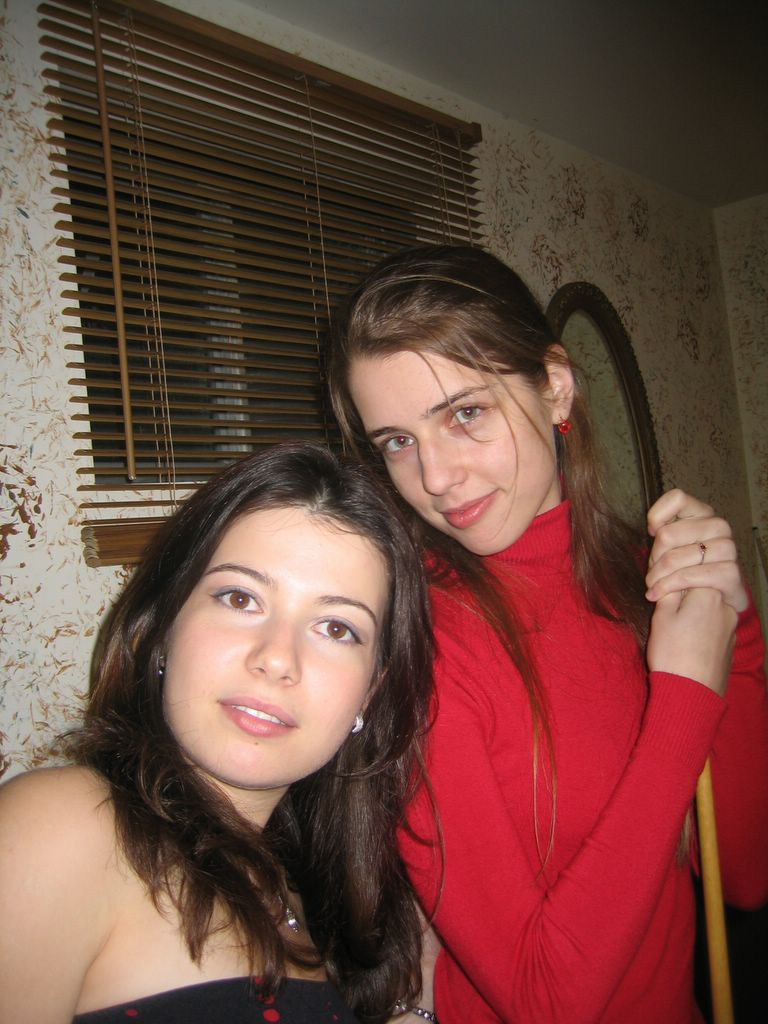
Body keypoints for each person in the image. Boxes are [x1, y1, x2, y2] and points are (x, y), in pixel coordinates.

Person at [326, 244, 768, 1023]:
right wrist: (685, 697)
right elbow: (544, 1002)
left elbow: (746, 875)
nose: (435, 477)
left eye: (465, 414)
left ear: (555, 385)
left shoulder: (641, 577)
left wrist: (736, 634)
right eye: (396, 441)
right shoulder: (419, 653)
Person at [0, 442, 439, 1024]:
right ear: (163, 625)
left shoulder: (313, 894)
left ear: (370, 691)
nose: (277, 658)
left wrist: (417, 992)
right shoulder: (62, 828)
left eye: (336, 628)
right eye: (240, 598)